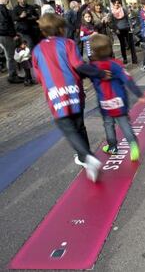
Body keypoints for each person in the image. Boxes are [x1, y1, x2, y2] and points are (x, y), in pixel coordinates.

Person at [32, 13, 107, 182]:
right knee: (79, 126)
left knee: (68, 128)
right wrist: (99, 73)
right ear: (60, 29)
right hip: (74, 91)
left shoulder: (37, 50)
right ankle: (88, 160)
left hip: (55, 95)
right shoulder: (68, 43)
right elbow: (78, 65)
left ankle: (87, 158)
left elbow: (37, 76)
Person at [78, 34, 145, 161]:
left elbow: (80, 70)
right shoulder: (116, 64)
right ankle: (133, 145)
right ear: (110, 48)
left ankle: (113, 147)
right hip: (119, 100)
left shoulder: (92, 68)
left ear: (93, 51)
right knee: (124, 123)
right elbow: (128, 79)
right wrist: (139, 94)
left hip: (104, 102)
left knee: (108, 124)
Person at [0, 0, 21, 84]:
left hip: (5, 34)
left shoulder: (4, 8)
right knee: (10, 56)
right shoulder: (1, 9)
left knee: (10, 56)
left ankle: (13, 75)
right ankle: (12, 76)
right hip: (5, 35)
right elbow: (5, 24)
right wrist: (13, 35)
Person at [110, 0, 137, 65]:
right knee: (122, 44)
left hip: (127, 28)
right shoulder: (111, 12)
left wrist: (130, 26)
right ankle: (124, 58)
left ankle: (134, 59)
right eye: (116, 3)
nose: (117, 4)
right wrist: (116, 29)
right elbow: (112, 22)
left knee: (131, 44)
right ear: (113, 4)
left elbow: (128, 18)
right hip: (119, 30)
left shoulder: (123, 9)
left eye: (118, 3)